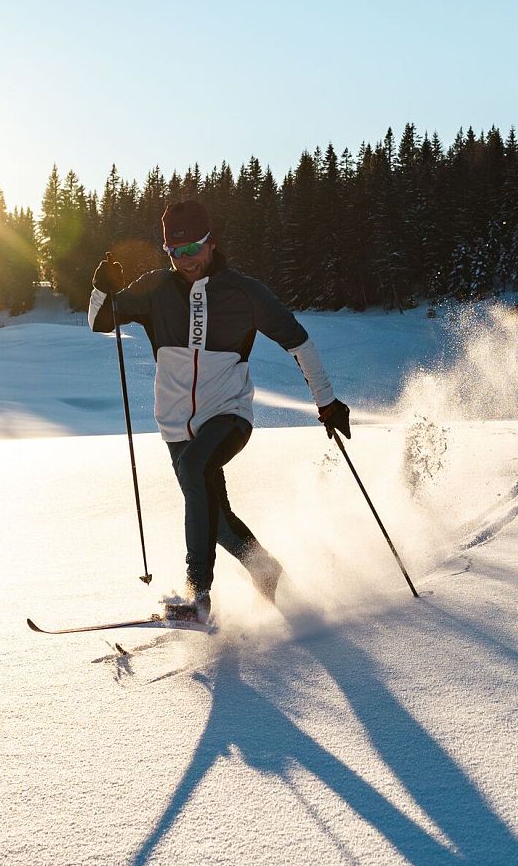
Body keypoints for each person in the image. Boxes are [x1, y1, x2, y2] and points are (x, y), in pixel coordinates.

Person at [88, 199, 351, 622]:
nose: (186, 260)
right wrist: (103, 286)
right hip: (175, 426)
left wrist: (327, 401)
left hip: (228, 415)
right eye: (175, 252)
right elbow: (99, 321)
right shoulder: (156, 287)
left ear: (211, 244)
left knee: (194, 470)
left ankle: (198, 595)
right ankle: (265, 570)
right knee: (218, 520)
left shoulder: (244, 292)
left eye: (193, 249)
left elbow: (298, 340)